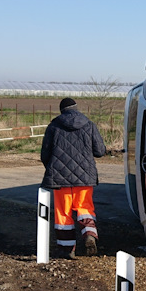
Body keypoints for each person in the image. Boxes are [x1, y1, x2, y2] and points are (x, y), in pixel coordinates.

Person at [41, 97, 107, 259]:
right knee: (85, 208)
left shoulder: (53, 126)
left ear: (61, 110)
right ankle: (89, 234)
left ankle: (67, 249)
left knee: (63, 212)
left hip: (60, 178)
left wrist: (52, 169)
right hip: (85, 177)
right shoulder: (89, 125)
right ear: (76, 108)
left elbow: (45, 154)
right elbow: (100, 151)